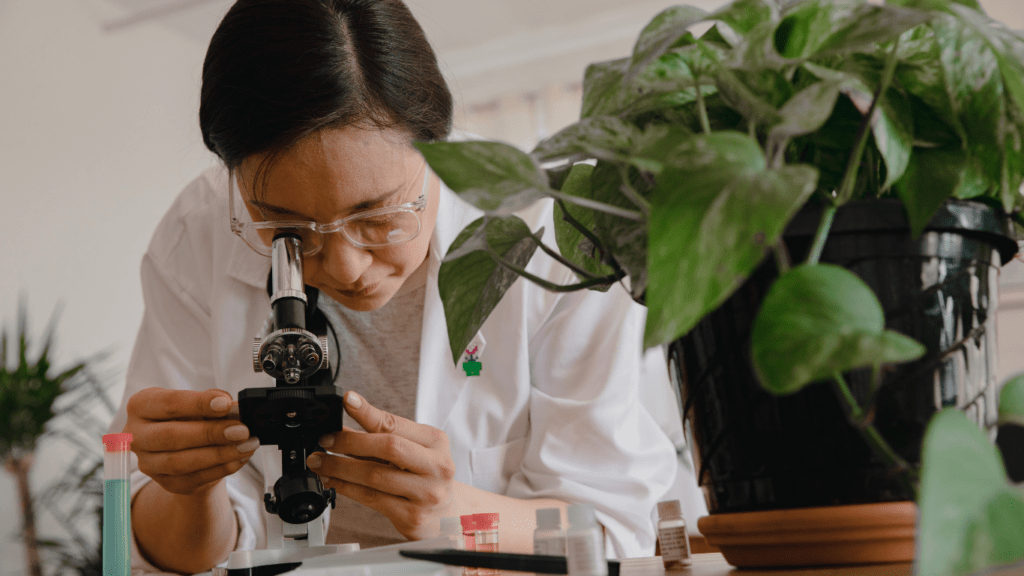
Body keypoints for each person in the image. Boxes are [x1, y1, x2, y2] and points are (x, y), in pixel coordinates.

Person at [107, 1, 678, 574]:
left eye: (379, 218)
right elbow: (174, 556)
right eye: (288, 229)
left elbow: (610, 529)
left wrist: (449, 509)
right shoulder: (198, 232)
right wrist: (189, 487)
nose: (348, 266)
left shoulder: (554, 238)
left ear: (440, 147)